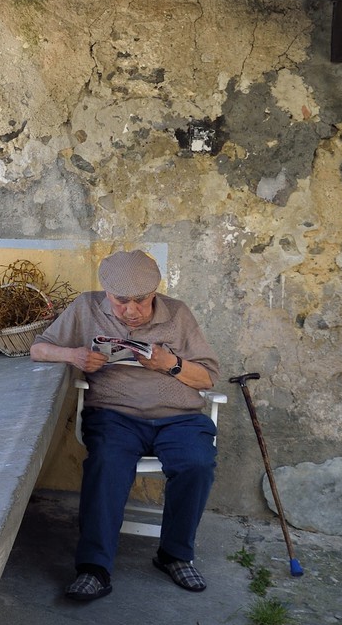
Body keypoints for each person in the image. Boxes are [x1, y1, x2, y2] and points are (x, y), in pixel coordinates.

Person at [29, 250, 220, 602]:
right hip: (115, 414)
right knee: (106, 464)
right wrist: (75, 356)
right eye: (120, 301)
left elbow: (207, 377)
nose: (130, 310)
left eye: (141, 301)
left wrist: (170, 363)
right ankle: (94, 568)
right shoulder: (86, 307)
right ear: (106, 292)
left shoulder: (177, 313)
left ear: (155, 293)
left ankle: (175, 555)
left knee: (197, 463)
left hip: (179, 417)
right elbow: (39, 349)